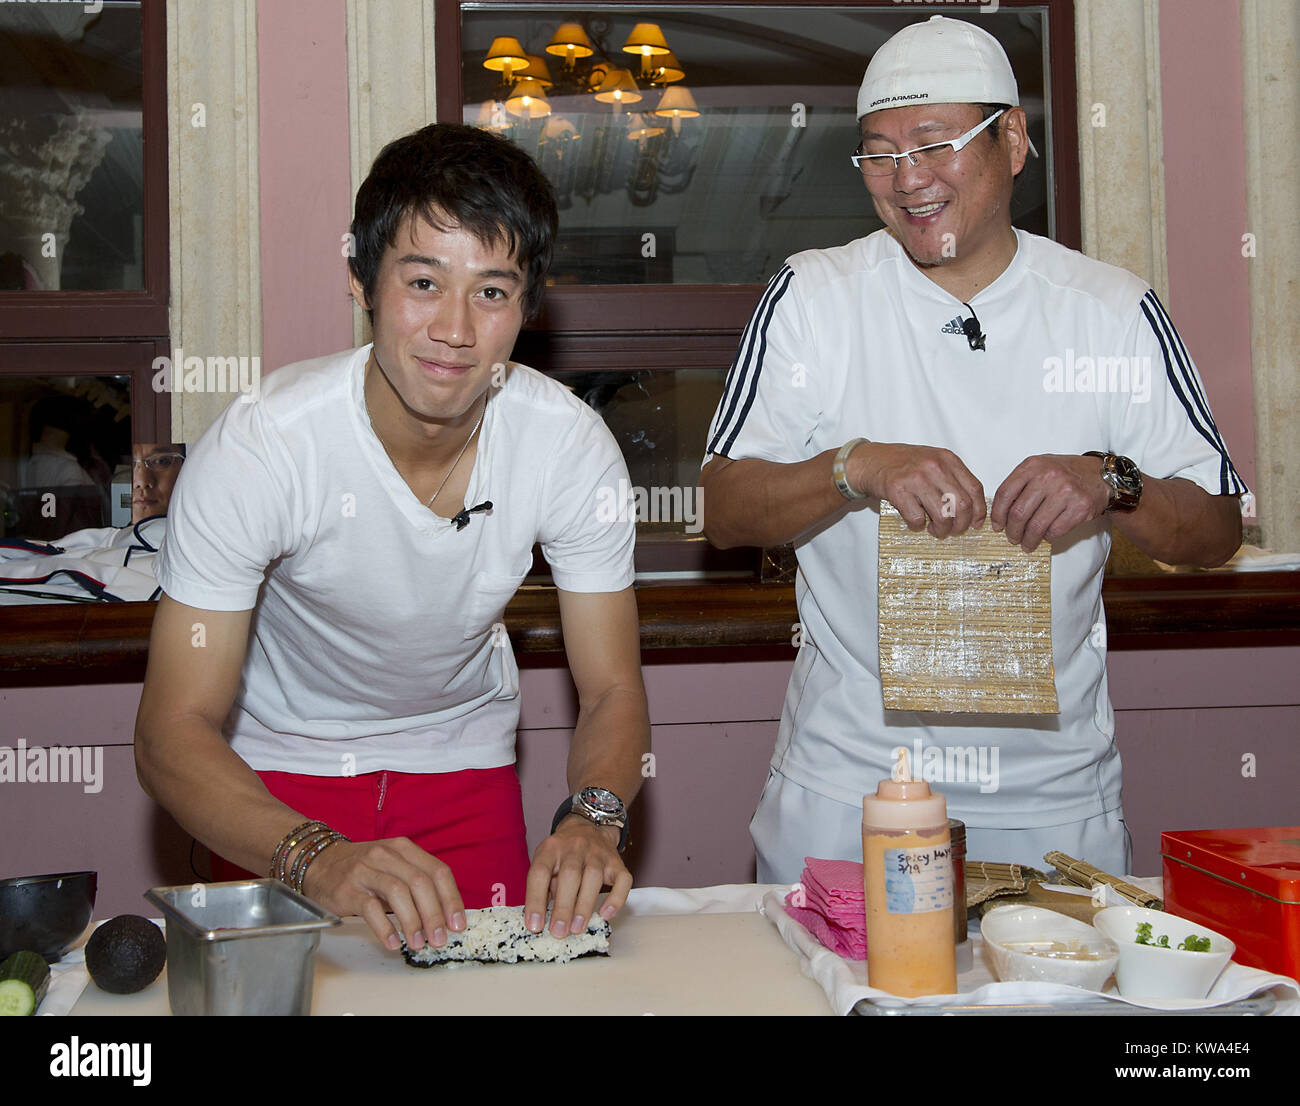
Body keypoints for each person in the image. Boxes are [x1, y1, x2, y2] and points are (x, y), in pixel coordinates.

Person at [700, 16, 1244, 881]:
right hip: (853, 787)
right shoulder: (815, 297)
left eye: (935, 142)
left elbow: (1217, 528)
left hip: (1052, 796)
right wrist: (855, 466)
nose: (906, 177)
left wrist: (1113, 482)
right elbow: (723, 508)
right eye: (878, 151)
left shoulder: (1109, 309)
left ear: (1014, 139)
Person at [135, 123, 650, 954]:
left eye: (491, 292)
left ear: (528, 307)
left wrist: (593, 817)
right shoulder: (265, 443)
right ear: (361, 283)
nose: (454, 328)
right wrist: (313, 856)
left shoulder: (568, 444)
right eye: (422, 281)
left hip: (465, 764)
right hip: (272, 775)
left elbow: (613, 691)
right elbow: (170, 731)